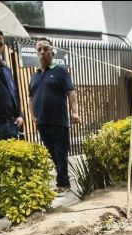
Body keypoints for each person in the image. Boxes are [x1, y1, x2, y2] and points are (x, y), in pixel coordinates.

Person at [28, 37, 80, 196]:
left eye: (45, 48)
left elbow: (71, 94)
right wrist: (32, 115)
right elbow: (31, 97)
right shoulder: (34, 76)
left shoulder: (61, 71)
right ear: (37, 53)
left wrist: (75, 112)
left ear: (52, 51)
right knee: (52, 154)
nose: (42, 52)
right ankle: (64, 180)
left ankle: (62, 184)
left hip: (59, 121)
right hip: (42, 122)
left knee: (60, 153)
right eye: (39, 49)